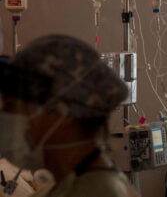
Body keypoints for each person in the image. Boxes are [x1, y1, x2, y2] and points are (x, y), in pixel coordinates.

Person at [0, 35, 139, 197]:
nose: (7, 119)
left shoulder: (99, 192)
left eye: (14, 108)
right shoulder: (62, 188)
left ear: (64, 115)